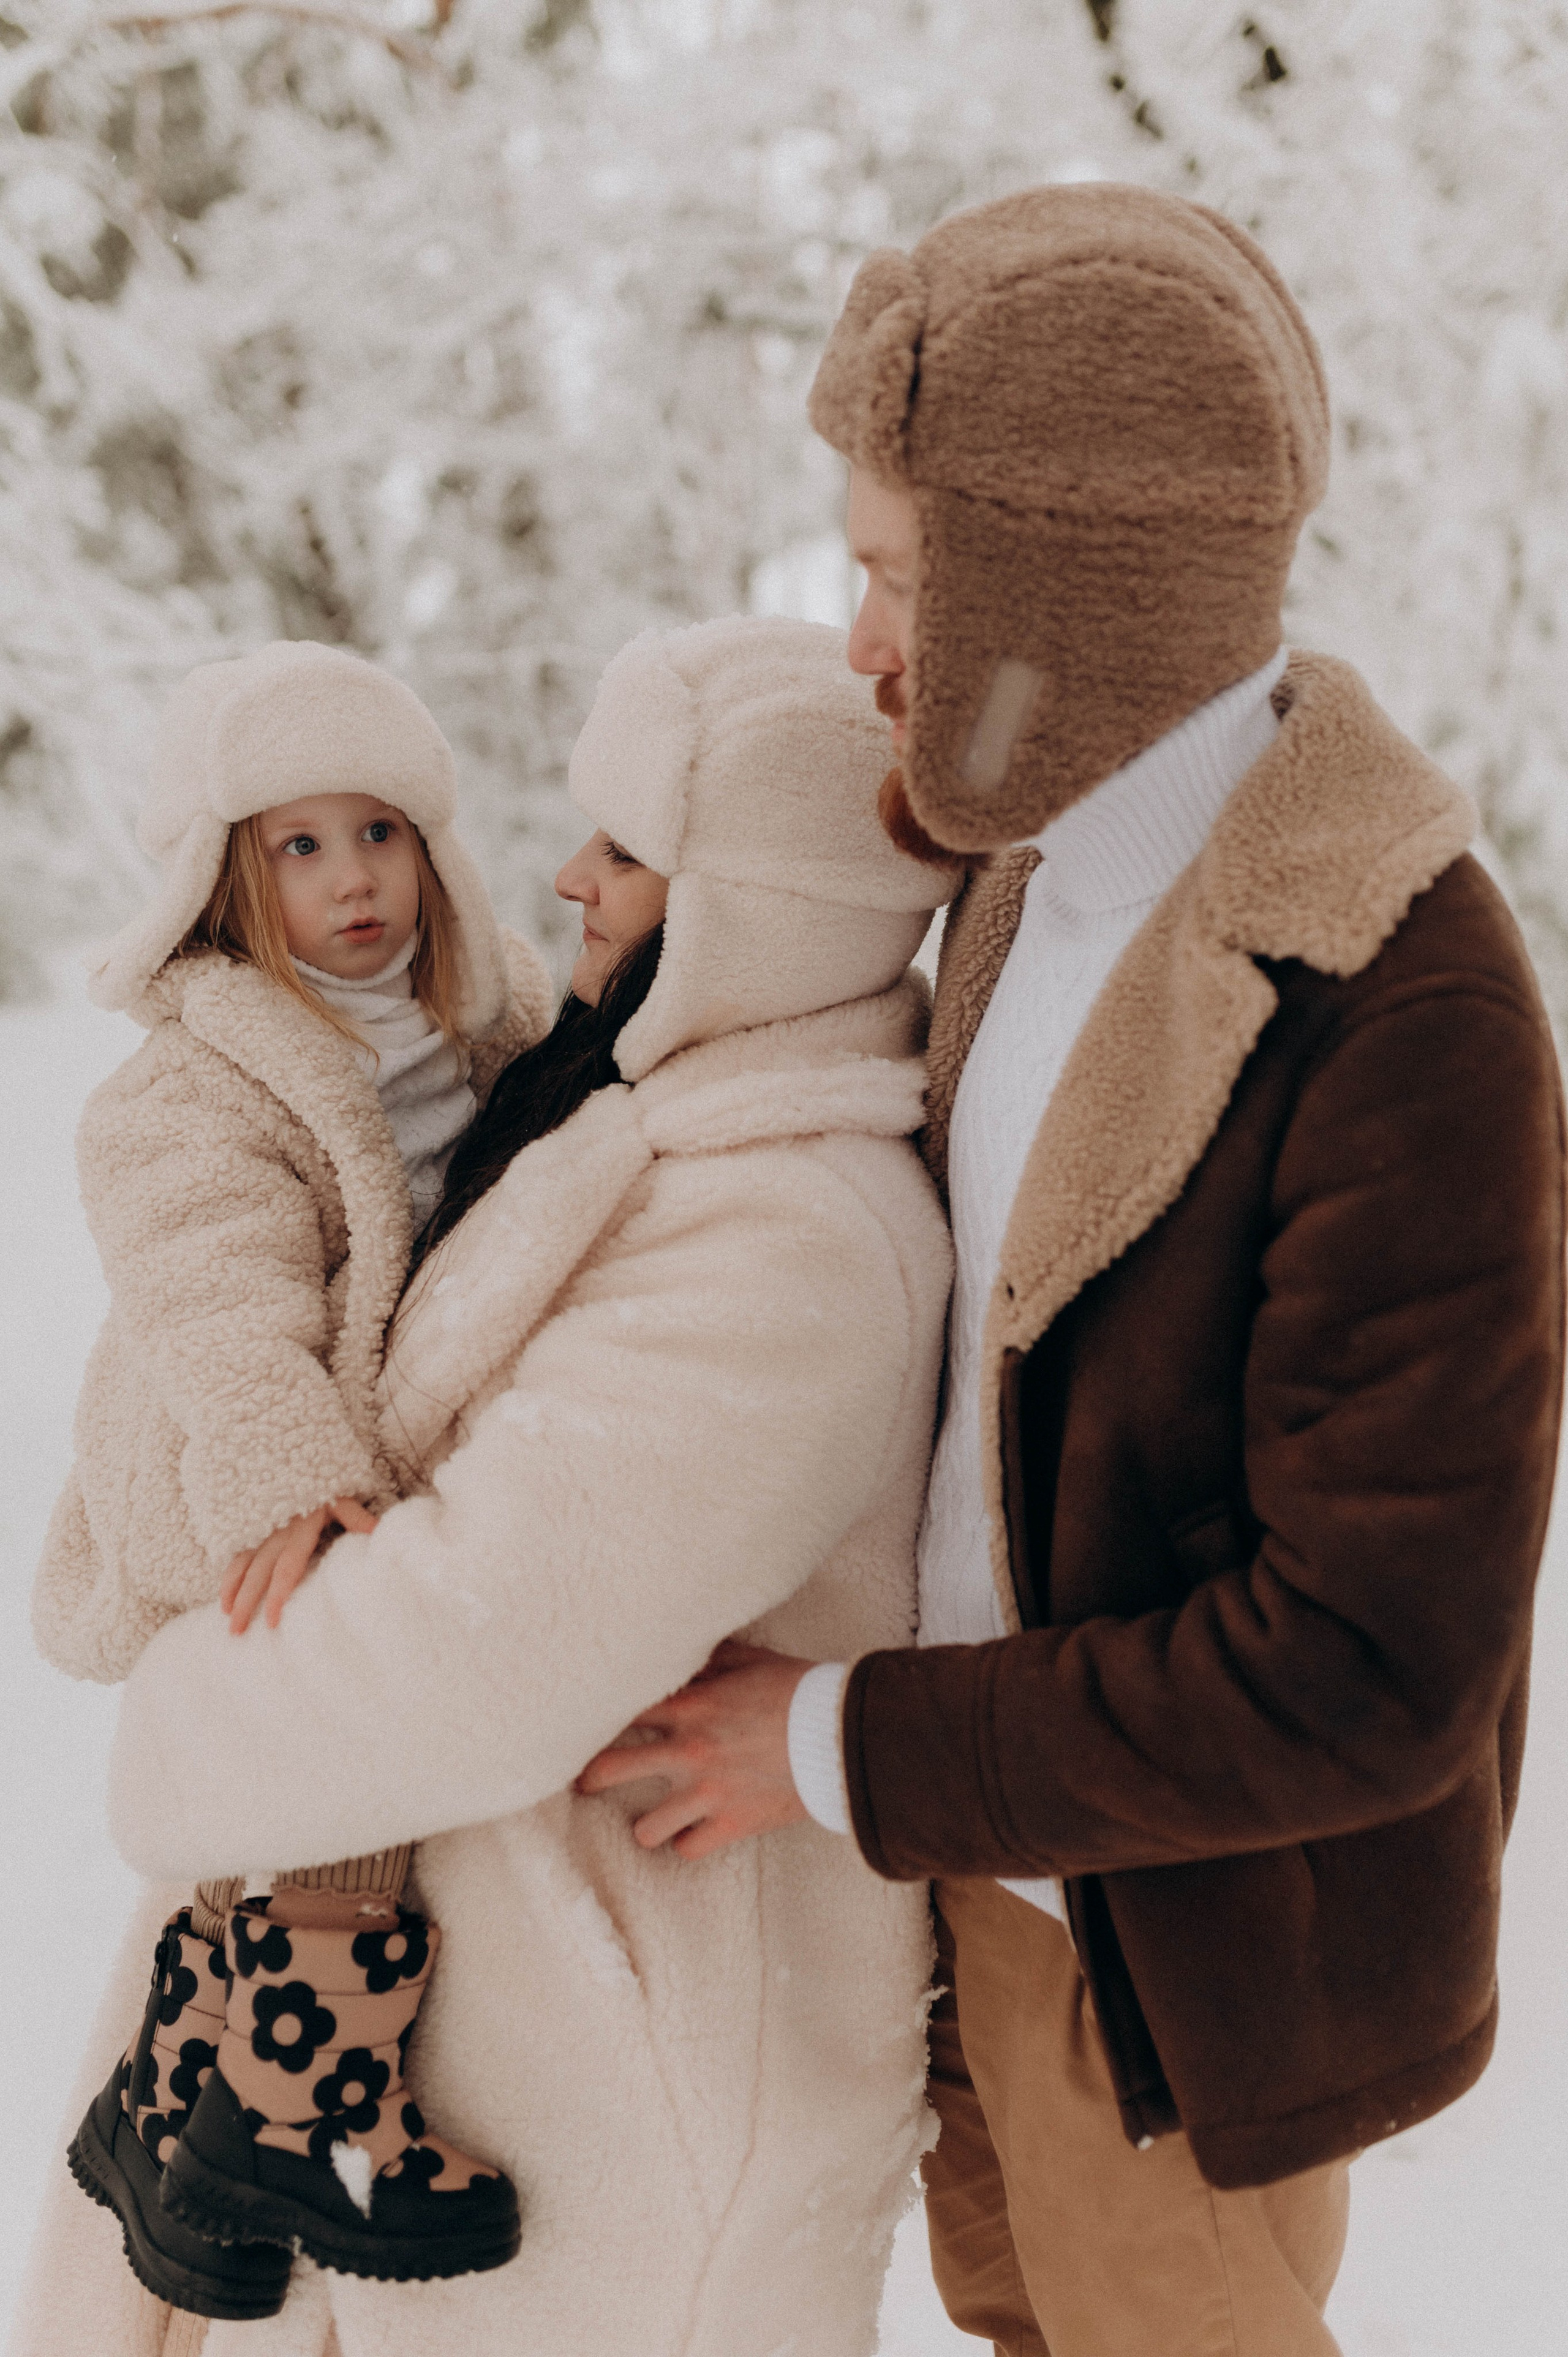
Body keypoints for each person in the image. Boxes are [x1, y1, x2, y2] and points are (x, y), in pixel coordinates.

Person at [577, 187, 1567, 2356]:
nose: (862, 641)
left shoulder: (1400, 1010)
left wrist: (840, 1746)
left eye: (903, 576)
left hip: (1174, 1972)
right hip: (955, 1898)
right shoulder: (1023, 875)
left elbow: (1368, 1672)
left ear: (1075, 590)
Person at [52, 616, 962, 2357]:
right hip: (424, 2009)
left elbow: (476, 1643)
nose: (564, 877)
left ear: (747, 903)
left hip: (606, 2115)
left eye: (625, 851)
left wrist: (182, 1729)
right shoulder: (600, 1094)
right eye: (300, 847)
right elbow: (224, 1297)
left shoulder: (783, 1224)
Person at [29, 640, 554, 2331]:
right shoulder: (190, 1077)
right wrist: (286, 1473)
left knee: (326, 1680)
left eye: (379, 835)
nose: (351, 886)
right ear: (226, 875)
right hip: (224, 1447)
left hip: (328, 1429)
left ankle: (175, 2068)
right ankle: (306, 2112)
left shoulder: (480, 1016)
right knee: (352, 1684)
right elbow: (212, 1295)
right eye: (299, 849)